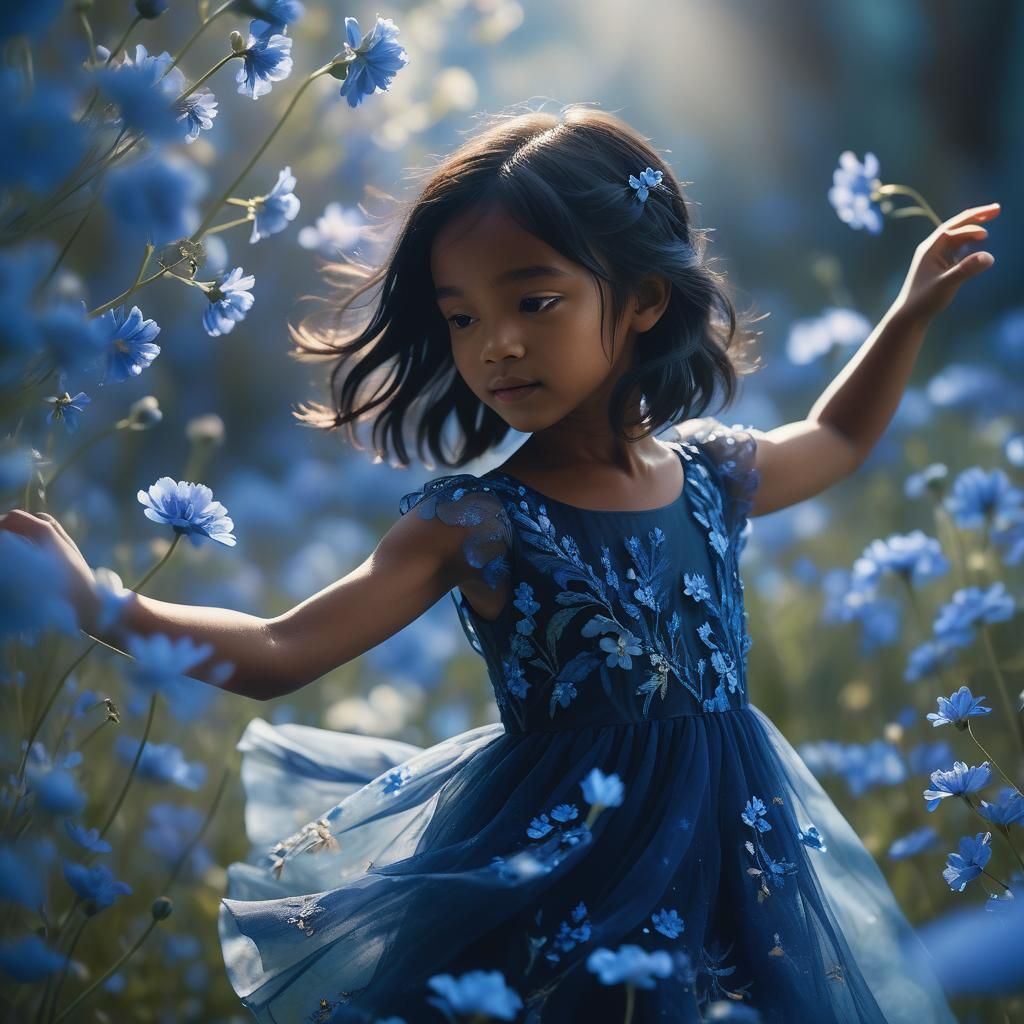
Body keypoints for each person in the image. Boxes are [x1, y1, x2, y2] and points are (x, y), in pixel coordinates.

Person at [3, 104, 998, 1023]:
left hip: (732, 847)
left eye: (533, 299)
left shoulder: (707, 474)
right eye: (463, 316)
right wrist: (96, 598)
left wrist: (905, 313)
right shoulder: (477, 519)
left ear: (645, 298)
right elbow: (276, 649)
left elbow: (832, 438)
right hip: (559, 871)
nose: (496, 345)